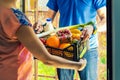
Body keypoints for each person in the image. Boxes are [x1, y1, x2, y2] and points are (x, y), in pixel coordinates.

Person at [0, 0, 87, 80]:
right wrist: (78, 65)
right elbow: (47, 59)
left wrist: (31, 32)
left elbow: (8, 40)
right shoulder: (17, 18)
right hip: (15, 75)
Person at [35, 0, 106, 80]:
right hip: (64, 48)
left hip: (88, 48)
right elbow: (48, 18)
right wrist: (41, 23)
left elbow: (106, 20)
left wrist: (93, 28)